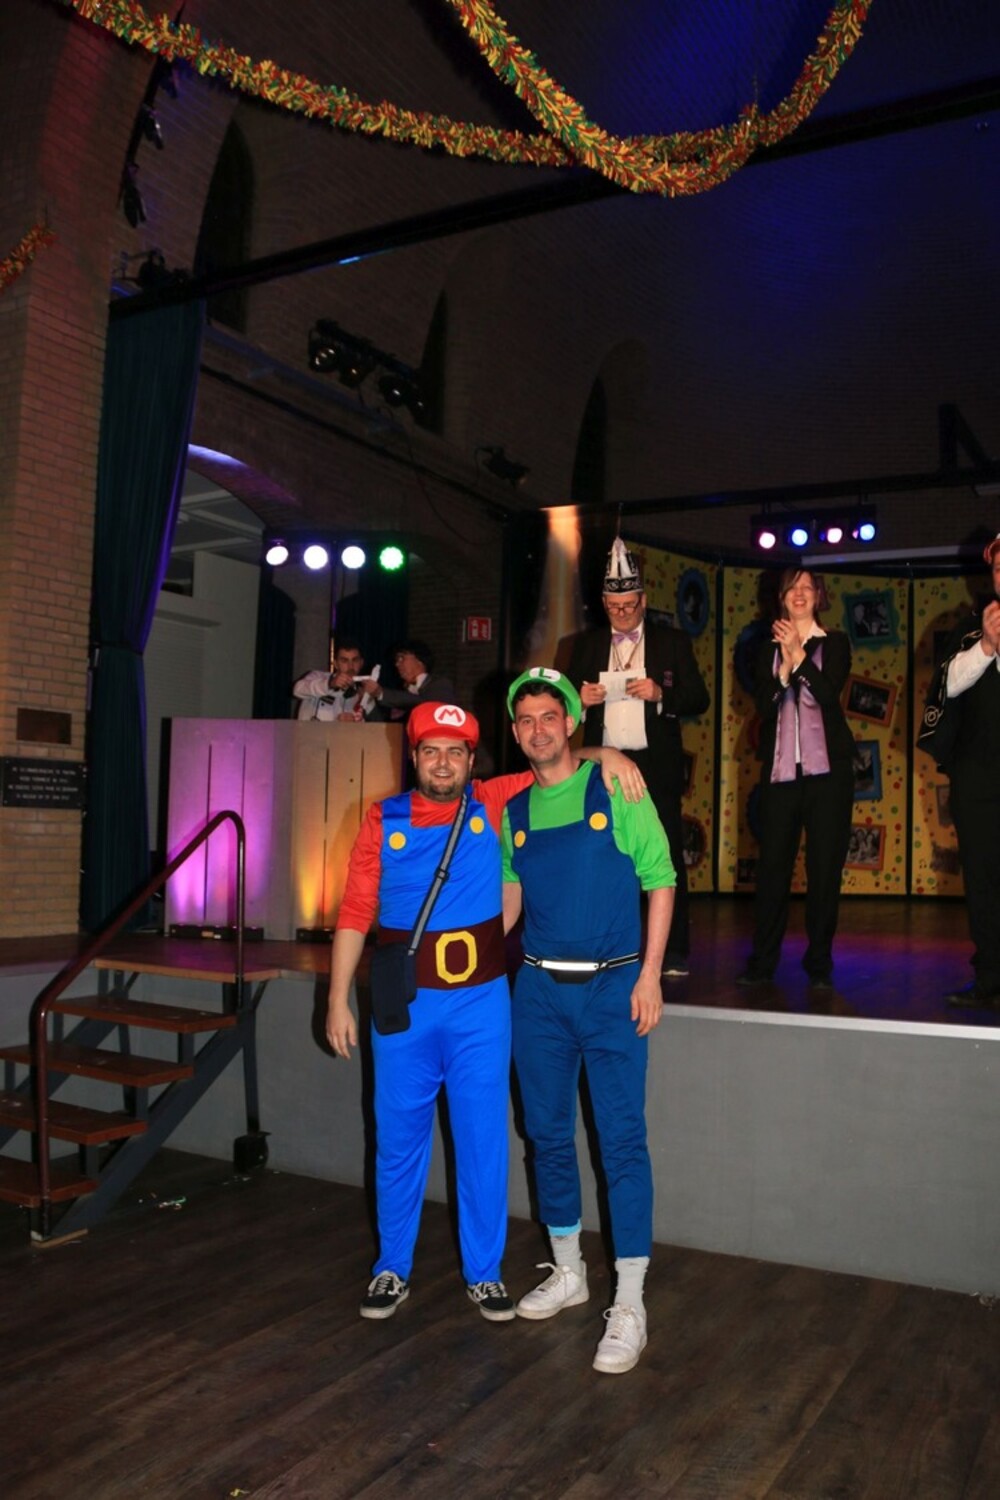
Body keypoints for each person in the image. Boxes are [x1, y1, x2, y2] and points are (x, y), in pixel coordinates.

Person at [326, 700, 645, 1323]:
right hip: (405, 1006)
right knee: (397, 1141)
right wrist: (337, 997)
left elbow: (550, 756)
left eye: (455, 752)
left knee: (482, 1141)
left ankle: (484, 1273)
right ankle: (391, 1267)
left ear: (472, 761)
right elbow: (355, 911)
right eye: (431, 751)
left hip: (480, 1005)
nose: (443, 763)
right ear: (414, 757)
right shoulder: (382, 818)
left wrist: (605, 753)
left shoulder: (494, 801)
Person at [501, 667, 675, 1376]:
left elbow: (660, 878)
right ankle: (569, 1270)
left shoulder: (616, 785)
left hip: (613, 989)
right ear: (516, 732)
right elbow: (509, 901)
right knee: (545, 1135)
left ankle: (629, 1301)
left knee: (621, 1142)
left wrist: (650, 973)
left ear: (572, 720)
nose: (539, 729)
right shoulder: (513, 811)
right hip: (538, 993)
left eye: (550, 716)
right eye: (526, 720)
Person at [567, 537, 708, 978]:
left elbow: (700, 698)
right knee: (604, 852)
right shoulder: (586, 645)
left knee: (665, 853)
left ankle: (675, 951)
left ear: (644, 601)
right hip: (602, 763)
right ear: (604, 605)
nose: (623, 613)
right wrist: (580, 700)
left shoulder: (672, 642)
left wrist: (661, 694)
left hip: (655, 765)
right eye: (614, 607)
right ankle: (612, 945)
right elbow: (561, 706)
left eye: (629, 605)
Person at [737, 567, 856, 989]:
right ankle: (762, 962)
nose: (800, 593)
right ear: (782, 597)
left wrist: (799, 656)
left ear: (819, 596)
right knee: (772, 872)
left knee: (824, 872)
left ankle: (819, 964)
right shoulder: (763, 649)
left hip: (829, 777)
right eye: (793, 587)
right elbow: (765, 707)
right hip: (780, 774)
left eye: (808, 587)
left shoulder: (835, 643)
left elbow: (827, 694)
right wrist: (784, 668)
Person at [941, 533, 1000, 1007]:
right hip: (977, 777)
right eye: (999, 569)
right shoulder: (969, 627)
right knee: (981, 881)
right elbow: (949, 685)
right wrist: (987, 643)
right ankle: (989, 979)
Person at [358, 639, 455, 718]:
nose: (397, 664)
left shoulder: (440, 684)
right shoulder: (400, 692)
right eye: (396, 660)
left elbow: (426, 704)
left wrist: (380, 693)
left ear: (420, 660)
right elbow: (387, 725)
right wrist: (368, 701)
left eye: (401, 658)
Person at [292, 638, 379, 721]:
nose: (350, 666)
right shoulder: (318, 676)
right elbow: (297, 690)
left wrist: (368, 699)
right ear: (336, 664)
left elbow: (377, 723)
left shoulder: (362, 693)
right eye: (344, 661)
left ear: (361, 663)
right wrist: (330, 684)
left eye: (355, 660)